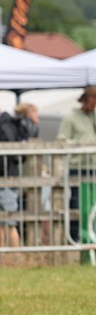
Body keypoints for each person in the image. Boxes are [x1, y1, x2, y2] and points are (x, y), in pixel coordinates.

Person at [56, 86, 96, 241]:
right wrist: (83, 144)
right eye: (91, 102)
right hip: (77, 167)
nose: (93, 106)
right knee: (76, 202)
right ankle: (74, 237)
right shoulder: (70, 117)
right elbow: (62, 140)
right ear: (84, 100)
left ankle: (94, 235)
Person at [0, 103, 39, 247]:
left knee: (9, 222)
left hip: (7, 177)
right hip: (6, 176)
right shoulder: (8, 123)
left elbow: (10, 150)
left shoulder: (6, 124)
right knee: (4, 222)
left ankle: (15, 255)